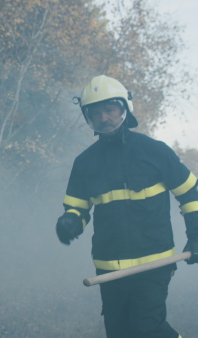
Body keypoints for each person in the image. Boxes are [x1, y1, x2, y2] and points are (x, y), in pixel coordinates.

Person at [55, 75, 198, 338]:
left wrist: (196, 235)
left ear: (124, 109)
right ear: (89, 118)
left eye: (109, 110)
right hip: (109, 267)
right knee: (120, 332)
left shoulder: (155, 151)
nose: (104, 118)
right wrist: (70, 223)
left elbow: (191, 194)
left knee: (147, 327)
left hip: (155, 263)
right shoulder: (84, 162)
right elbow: (78, 209)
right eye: (96, 113)